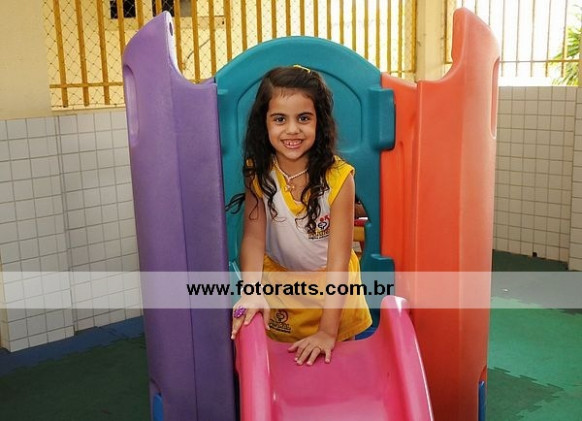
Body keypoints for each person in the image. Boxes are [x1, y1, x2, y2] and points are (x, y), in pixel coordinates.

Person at [229, 65, 372, 366]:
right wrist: (251, 291)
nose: (292, 129)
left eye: (304, 118)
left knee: (336, 368)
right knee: (284, 368)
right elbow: (253, 239)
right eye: (280, 119)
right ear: (264, 122)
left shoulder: (339, 178)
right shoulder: (259, 173)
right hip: (282, 289)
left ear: (319, 121)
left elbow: (338, 260)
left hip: (333, 295)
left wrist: (328, 331)